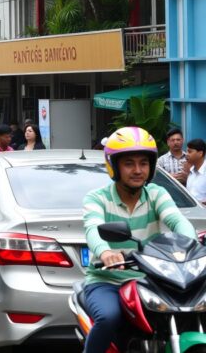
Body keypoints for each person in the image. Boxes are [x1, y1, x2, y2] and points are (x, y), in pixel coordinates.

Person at [82, 126, 196, 352]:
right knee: (108, 318)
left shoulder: (156, 194)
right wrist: (105, 252)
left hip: (153, 281)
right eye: (129, 163)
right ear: (114, 166)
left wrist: (191, 244)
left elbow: (177, 221)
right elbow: (92, 228)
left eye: (143, 163)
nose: (137, 170)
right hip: (108, 282)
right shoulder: (97, 198)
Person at [185, 138, 206, 204]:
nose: (186, 154)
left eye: (190, 152)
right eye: (187, 151)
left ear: (200, 153)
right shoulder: (191, 172)